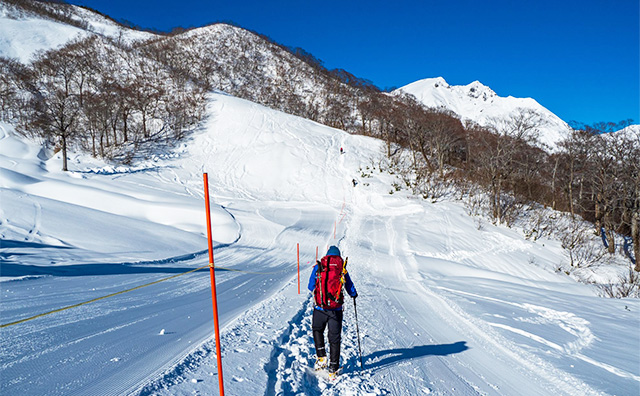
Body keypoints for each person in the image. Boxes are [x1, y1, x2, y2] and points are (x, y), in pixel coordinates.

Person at [308, 245, 357, 376]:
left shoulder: (319, 266)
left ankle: (321, 356)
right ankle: (333, 369)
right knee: (334, 339)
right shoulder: (341, 268)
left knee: (317, 330)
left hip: (320, 307)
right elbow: (349, 285)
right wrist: (353, 294)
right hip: (336, 310)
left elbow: (310, 286)